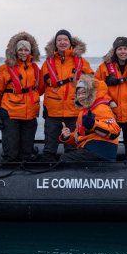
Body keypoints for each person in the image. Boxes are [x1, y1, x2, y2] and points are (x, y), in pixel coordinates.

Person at [39, 29, 95, 161]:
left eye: (65, 40)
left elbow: (93, 84)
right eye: (59, 40)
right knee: (49, 148)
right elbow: (40, 88)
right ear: (55, 43)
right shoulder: (47, 63)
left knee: (72, 148)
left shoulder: (82, 62)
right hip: (52, 112)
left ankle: (71, 175)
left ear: (70, 43)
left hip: (74, 112)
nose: (62, 42)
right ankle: (46, 174)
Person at [0, 32, 41, 162]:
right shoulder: (5, 69)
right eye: (20, 50)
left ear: (31, 51)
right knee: (11, 153)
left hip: (30, 115)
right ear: (15, 51)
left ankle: (25, 179)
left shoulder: (34, 69)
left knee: (26, 153)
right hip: (11, 114)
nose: (23, 52)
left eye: (26, 50)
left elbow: (42, 88)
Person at [94, 36, 127, 161]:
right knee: (107, 148)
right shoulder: (104, 68)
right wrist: (109, 101)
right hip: (111, 114)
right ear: (114, 51)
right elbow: (97, 89)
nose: (122, 52)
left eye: (125, 49)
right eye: (119, 49)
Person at [59, 74, 121, 161]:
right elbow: (81, 136)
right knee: (65, 157)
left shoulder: (101, 108)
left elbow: (115, 131)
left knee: (64, 159)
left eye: (84, 93)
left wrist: (94, 124)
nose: (80, 96)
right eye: (78, 94)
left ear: (90, 94)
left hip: (102, 150)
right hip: (89, 148)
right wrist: (67, 136)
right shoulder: (83, 112)